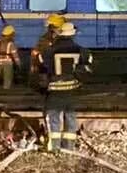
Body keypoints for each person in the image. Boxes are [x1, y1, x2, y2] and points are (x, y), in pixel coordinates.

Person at [43, 21, 93, 153]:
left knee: (53, 117)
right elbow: (88, 68)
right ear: (72, 35)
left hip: (54, 90)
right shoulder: (82, 50)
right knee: (70, 117)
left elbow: (42, 68)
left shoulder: (48, 51)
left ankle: (54, 148)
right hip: (72, 90)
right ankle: (69, 147)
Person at [29, 14, 61, 95]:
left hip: (46, 64)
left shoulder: (45, 38)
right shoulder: (47, 39)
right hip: (48, 64)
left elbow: (36, 51)